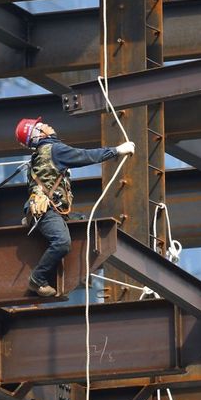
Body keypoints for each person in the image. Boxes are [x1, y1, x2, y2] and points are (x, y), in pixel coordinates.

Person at [15, 117, 135, 298]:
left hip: (49, 211)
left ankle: (84, 272)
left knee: (83, 223)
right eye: (42, 126)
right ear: (38, 134)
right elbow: (85, 156)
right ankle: (37, 279)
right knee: (62, 242)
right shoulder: (54, 150)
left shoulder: (40, 155)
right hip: (48, 211)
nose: (48, 125)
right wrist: (116, 151)